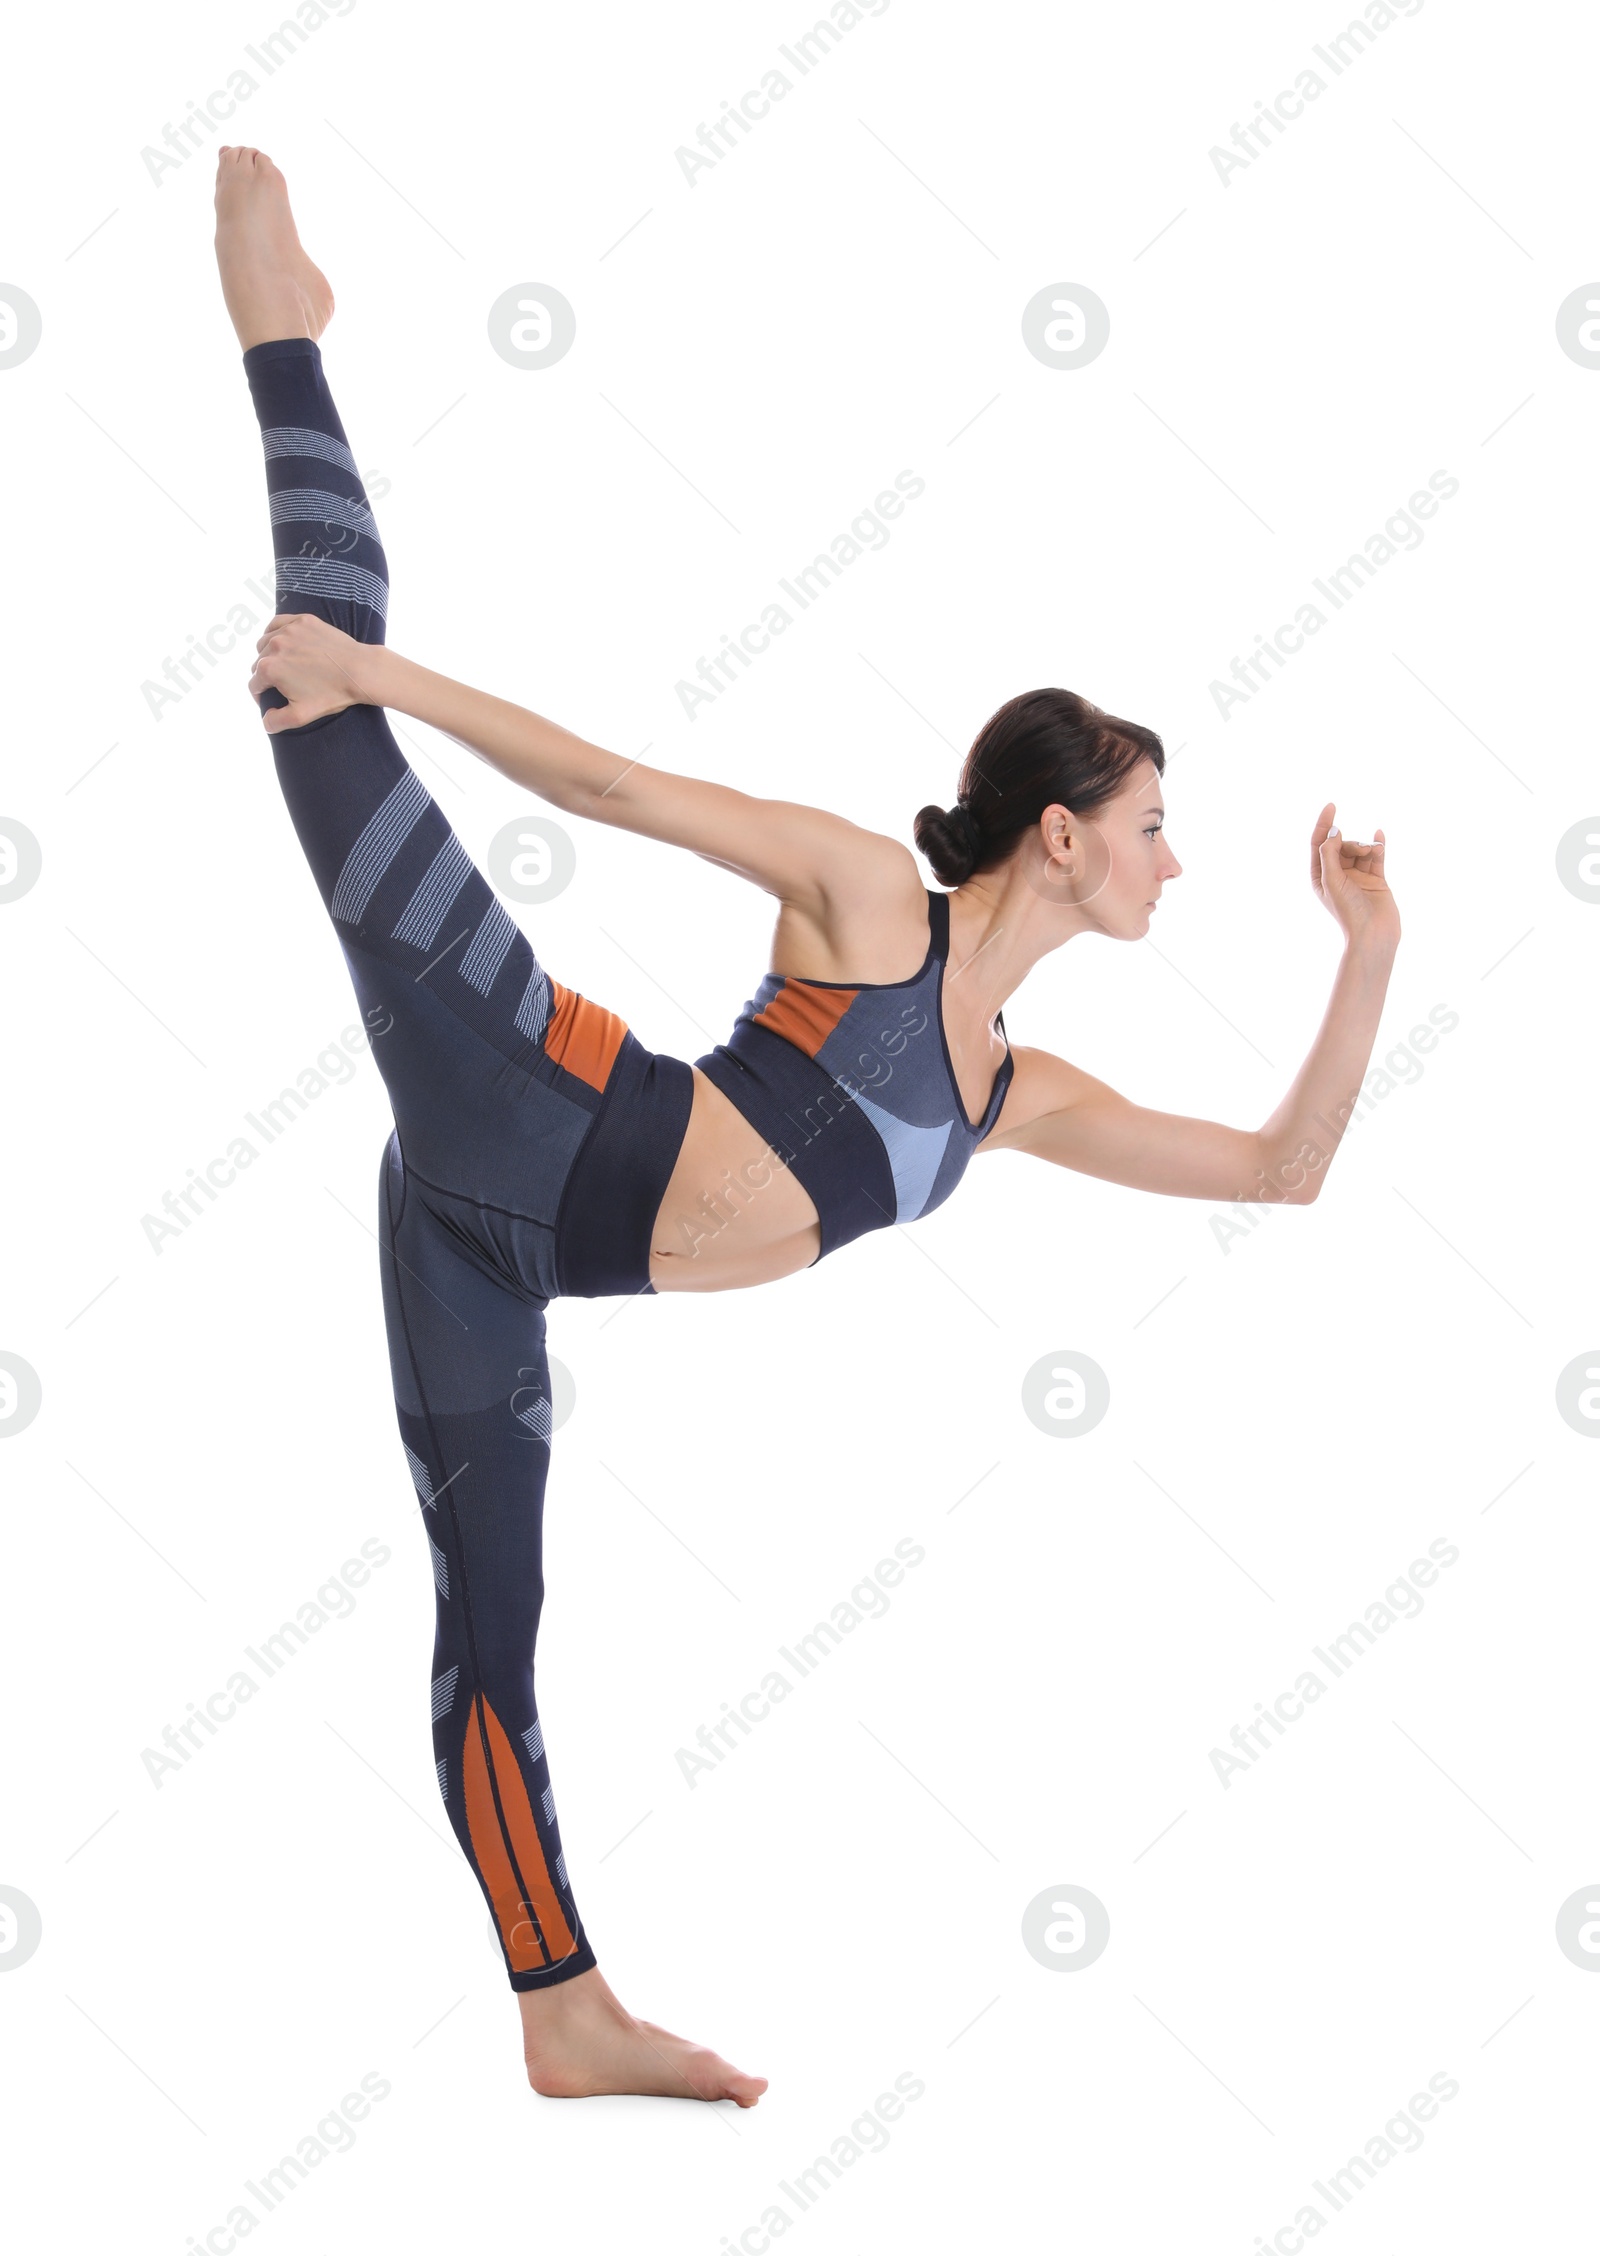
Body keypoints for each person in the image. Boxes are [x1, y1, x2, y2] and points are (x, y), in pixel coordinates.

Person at [213, 145, 1401, 2105]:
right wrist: (380, 681)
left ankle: (560, 2014)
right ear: (1059, 836)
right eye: (1153, 829)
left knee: (491, 1621)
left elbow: (1283, 1171)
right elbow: (603, 783)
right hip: (530, 1092)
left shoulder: (1016, 1102)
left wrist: (1361, 947)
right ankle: (278, 319)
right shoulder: (861, 901)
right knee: (310, 680)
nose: (1171, 864)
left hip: (487, 1243)